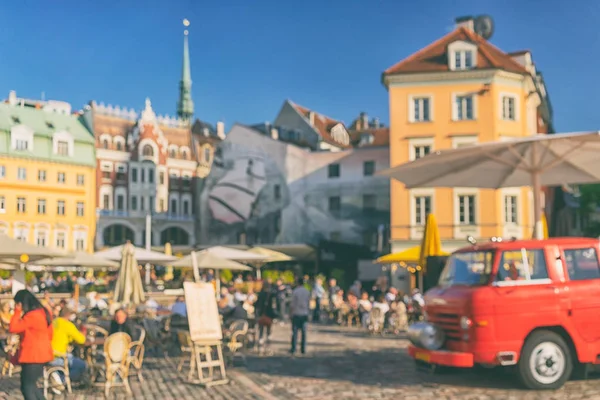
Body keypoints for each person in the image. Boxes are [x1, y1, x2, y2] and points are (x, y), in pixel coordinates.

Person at [9, 289, 54, 400]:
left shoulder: (32, 316)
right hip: (42, 354)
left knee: (27, 387)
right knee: (32, 386)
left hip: (33, 356)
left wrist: (17, 312)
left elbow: (13, 328)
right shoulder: (43, 312)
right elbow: (50, 334)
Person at [50, 308, 87, 384]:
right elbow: (82, 340)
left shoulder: (53, 322)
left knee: (71, 358)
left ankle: (56, 375)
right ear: (68, 315)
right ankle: (61, 380)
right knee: (82, 365)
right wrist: (83, 332)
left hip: (48, 355)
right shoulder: (67, 324)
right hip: (58, 356)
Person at [290, 277, 310, 356]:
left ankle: (294, 348)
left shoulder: (295, 291)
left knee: (295, 332)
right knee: (304, 333)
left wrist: (290, 313)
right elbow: (308, 303)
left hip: (296, 313)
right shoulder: (307, 292)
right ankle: (303, 349)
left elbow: (293, 304)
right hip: (304, 313)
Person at [255, 283, 278, 348]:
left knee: (261, 326)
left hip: (262, 313)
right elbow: (273, 305)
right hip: (269, 313)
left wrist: (257, 313)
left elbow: (257, 304)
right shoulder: (271, 295)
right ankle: (268, 336)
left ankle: (261, 338)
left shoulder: (260, 294)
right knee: (268, 326)